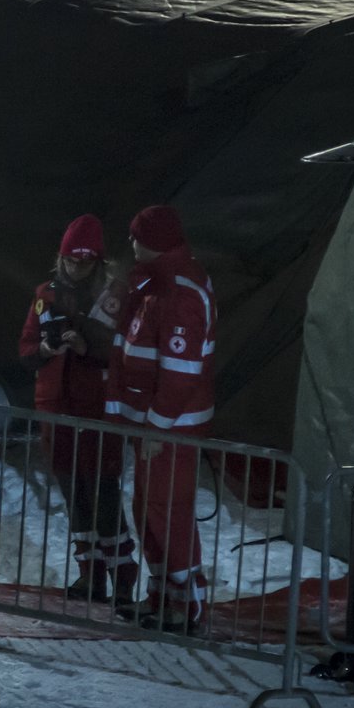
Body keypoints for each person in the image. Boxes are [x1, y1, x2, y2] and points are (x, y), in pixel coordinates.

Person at [105, 205, 215, 633]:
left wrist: (157, 425)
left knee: (168, 512)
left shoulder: (182, 292)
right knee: (150, 509)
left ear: (150, 241)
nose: (130, 244)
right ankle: (163, 600)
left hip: (171, 427)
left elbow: (180, 372)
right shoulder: (155, 283)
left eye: (135, 237)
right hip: (152, 424)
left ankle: (190, 609)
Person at [18, 214, 136, 603]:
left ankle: (122, 575)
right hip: (57, 407)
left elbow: (127, 352)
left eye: (84, 262)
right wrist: (46, 351)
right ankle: (90, 575)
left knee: (103, 491)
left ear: (98, 261)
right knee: (74, 494)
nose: (75, 268)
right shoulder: (45, 294)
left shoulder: (115, 297)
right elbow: (26, 349)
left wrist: (91, 351)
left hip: (99, 410)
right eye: (70, 260)